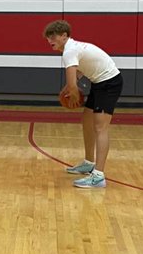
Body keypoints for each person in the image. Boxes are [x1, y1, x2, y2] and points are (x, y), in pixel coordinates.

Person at [43, 20, 122, 189]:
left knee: (101, 127)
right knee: (87, 119)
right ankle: (88, 162)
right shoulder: (73, 47)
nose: (50, 40)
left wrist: (71, 94)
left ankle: (99, 176)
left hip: (109, 83)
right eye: (48, 38)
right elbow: (78, 73)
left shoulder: (69, 51)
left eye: (53, 37)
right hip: (100, 82)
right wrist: (67, 90)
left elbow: (73, 85)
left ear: (64, 36)